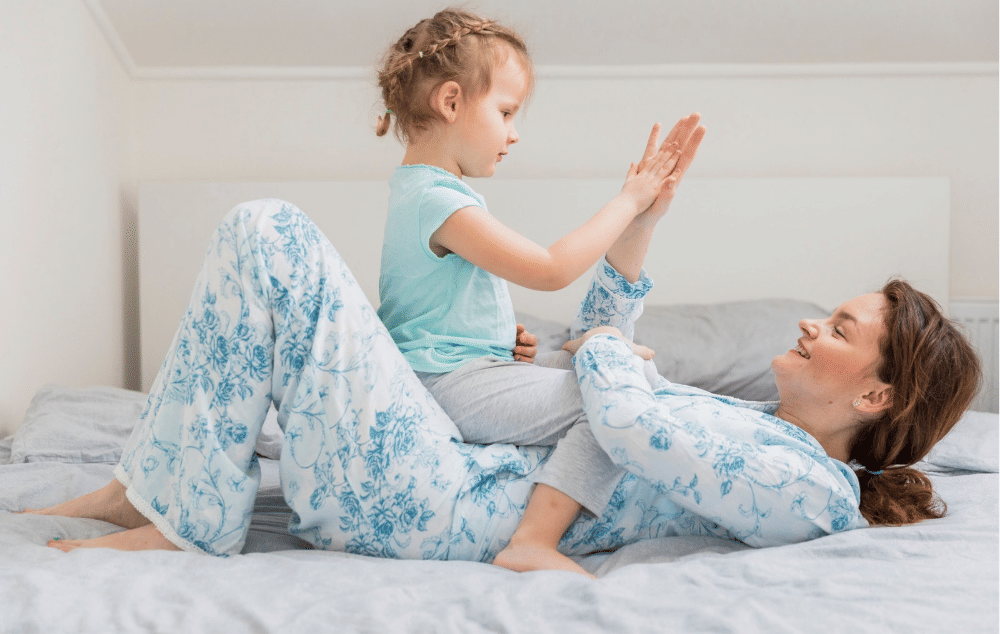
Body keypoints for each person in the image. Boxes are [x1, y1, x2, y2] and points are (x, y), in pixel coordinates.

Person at [27, 199, 979, 577]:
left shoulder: (812, 490)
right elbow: (615, 370)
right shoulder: (754, 425)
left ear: (877, 400)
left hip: (431, 503)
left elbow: (631, 425)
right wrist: (639, 222)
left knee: (273, 234)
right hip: (440, 468)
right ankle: (148, 481)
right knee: (263, 243)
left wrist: (603, 352)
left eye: (843, 330)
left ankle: (190, 515)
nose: (815, 324)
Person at [373, 7, 705, 574]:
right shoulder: (438, 200)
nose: (514, 131)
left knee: (633, 373)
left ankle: (594, 350)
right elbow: (550, 270)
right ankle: (534, 540)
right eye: (505, 111)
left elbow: (438, 309)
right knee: (614, 401)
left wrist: (502, 341)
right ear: (451, 103)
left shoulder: (429, 193)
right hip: (445, 381)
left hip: (466, 367)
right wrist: (628, 200)